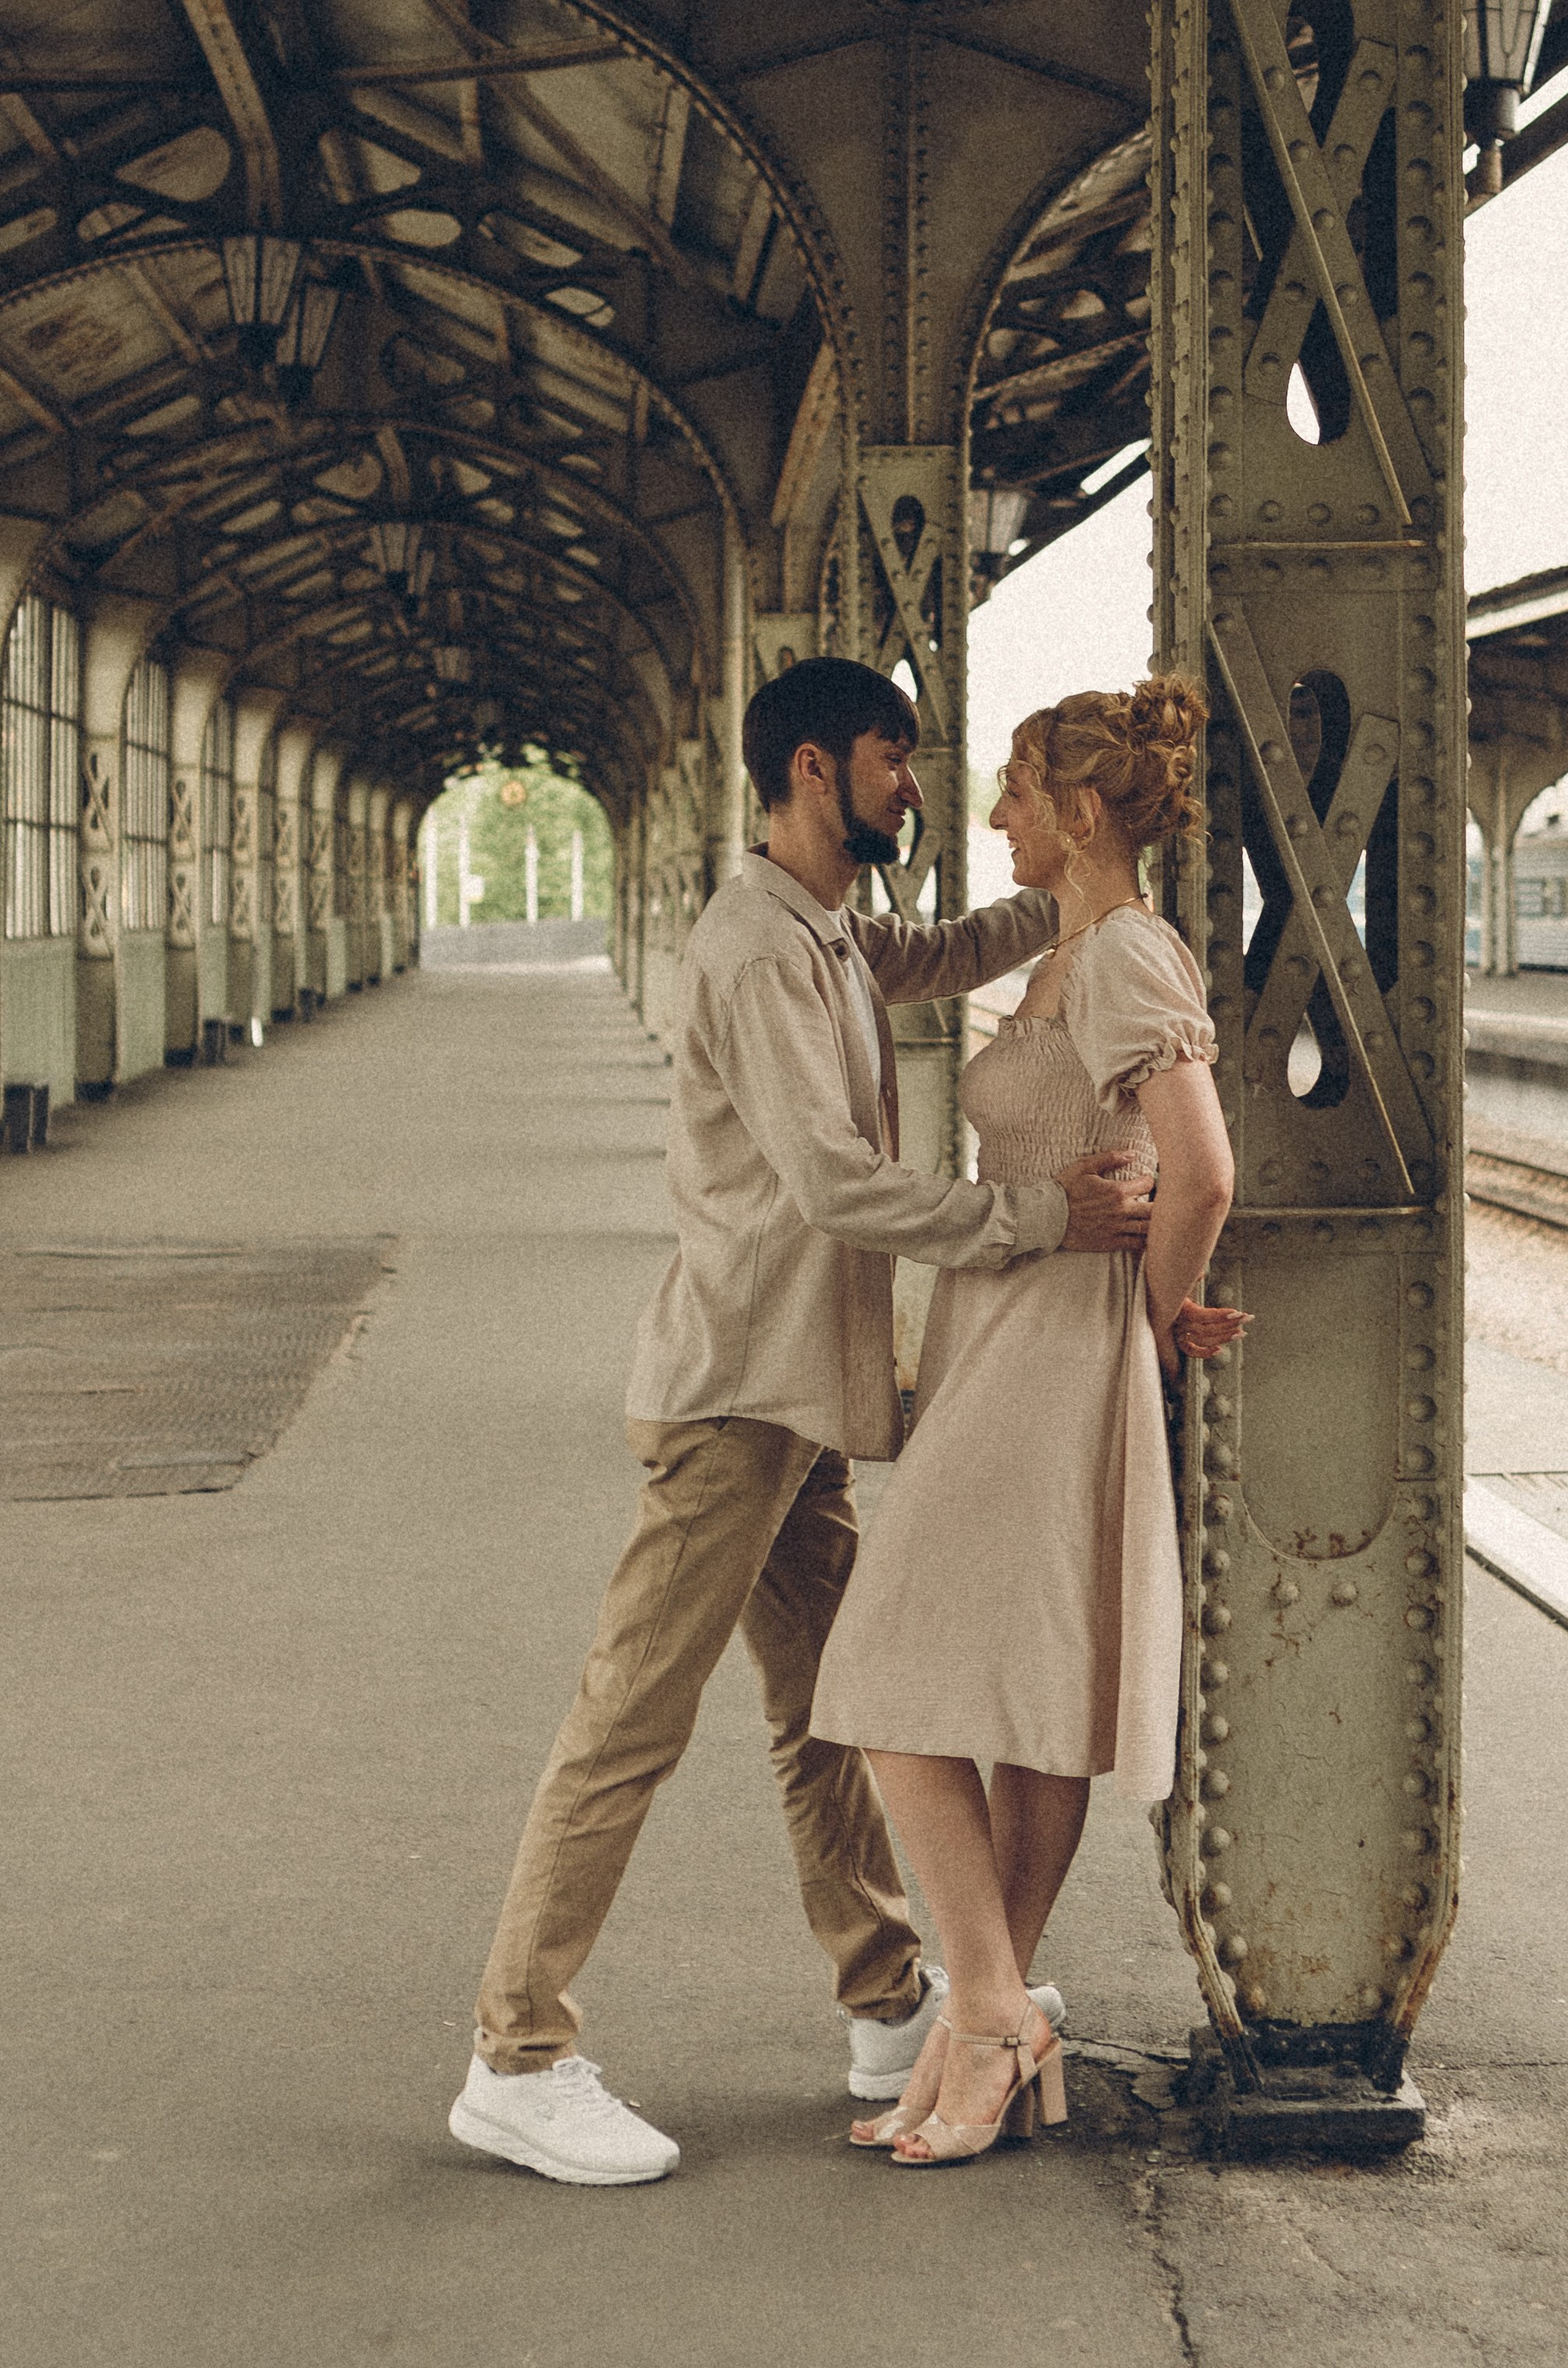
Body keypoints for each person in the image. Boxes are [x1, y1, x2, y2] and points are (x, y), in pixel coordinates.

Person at [449, 656, 1154, 2187]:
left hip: (802, 1407)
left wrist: (1100, 867)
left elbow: (959, 941)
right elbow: (835, 1184)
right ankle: (517, 2053)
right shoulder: (758, 950)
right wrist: (1031, 1215)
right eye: (898, 761)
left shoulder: (829, 925)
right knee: (628, 1723)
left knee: (827, 1710)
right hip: (732, 1404)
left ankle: (892, 1999)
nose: (921, 788)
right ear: (820, 770)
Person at [810, 676, 1249, 2168]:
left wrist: (1152, 1322)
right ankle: (984, 2026)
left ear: (1071, 816)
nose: (986, 815)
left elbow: (1200, 1172)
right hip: (1015, 1334)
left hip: (1058, 1346)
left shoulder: (1124, 949)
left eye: (1007, 792)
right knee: (1028, 1687)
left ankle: (988, 2012)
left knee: (878, 1669)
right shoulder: (1073, 950)